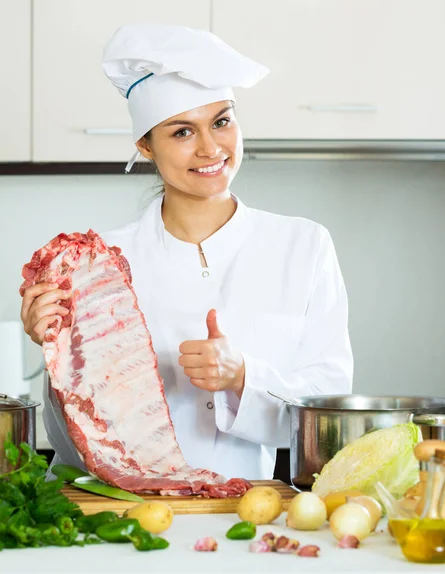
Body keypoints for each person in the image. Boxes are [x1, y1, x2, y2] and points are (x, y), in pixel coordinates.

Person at [20, 25, 353, 480]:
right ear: (145, 147)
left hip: (240, 511)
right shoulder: (98, 264)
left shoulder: (303, 246)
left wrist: (242, 377)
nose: (211, 148)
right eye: (182, 132)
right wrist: (56, 352)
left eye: (222, 121)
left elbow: (328, 408)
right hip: (116, 512)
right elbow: (66, 441)